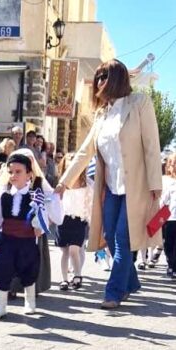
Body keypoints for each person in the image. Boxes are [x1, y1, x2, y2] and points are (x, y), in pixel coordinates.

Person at [55, 59, 163, 309]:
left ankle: (113, 293)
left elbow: (151, 145)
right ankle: (131, 283)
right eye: (99, 77)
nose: (100, 82)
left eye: (105, 77)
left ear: (117, 79)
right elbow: (85, 152)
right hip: (112, 189)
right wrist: (63, 183)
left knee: (123, 240)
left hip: (136, 187)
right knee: (109, 235)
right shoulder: (101, 114)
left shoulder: (139, 104)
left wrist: (155, 183)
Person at [0, 152, 63, 319]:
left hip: (27, 241)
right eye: (11, 172)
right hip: (7, 240)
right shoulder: (4, 196)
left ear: (29, 173)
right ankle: (0, 306)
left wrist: (40, 227)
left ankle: (30, 302)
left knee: (28, 271)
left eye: (18, 172)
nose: (13, 175)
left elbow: (42, 217)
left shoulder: (35, 196)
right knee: (2, 269)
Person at [56, 152, 93, 291]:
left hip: (79, 220)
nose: (72, 163)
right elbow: (55, 201)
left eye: (74, 161)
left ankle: (77, 275)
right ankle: (64, 279)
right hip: (63, 220)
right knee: (64, 251)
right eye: (69, 160)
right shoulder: (61, 184)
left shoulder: (87, 183)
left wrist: (91, 221)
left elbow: (91, 203)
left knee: (74, 250)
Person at [160, 153, 176, 278]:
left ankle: (173, 267)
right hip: (169, 218)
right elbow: (163, 200)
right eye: (172, 163)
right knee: (168, 244)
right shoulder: (165, 180)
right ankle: (171, 264)